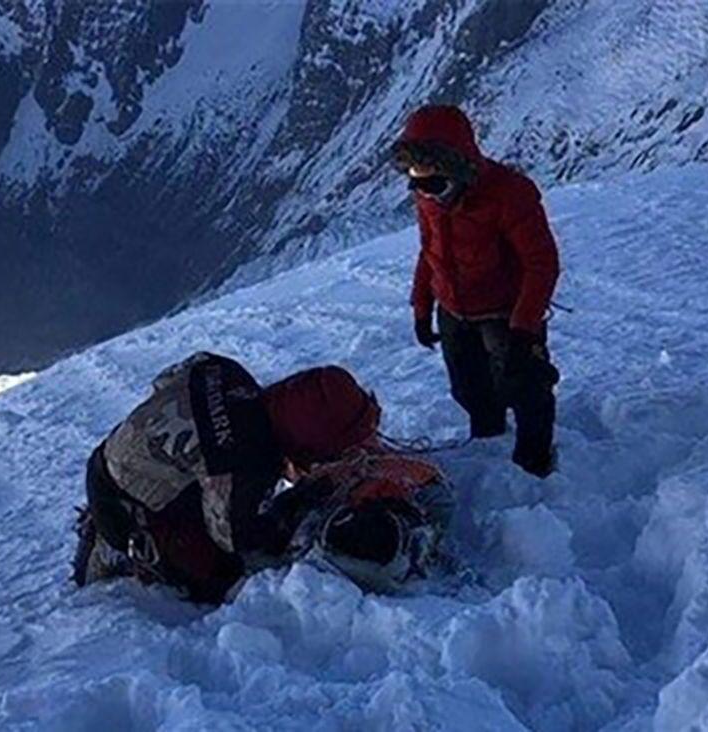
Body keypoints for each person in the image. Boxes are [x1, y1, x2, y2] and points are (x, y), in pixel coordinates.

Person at [72, 352, 382, 603]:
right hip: (122, 502)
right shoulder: (245, 460)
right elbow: (235, 537)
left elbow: (166, 380)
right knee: (220, 577)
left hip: (112, 456)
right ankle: (121, 550)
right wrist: (308, 494)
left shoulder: (226, 372)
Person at [393, 104, 562, 478]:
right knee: (471, 392)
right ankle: (489, 451)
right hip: (454, 310)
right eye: (414, 182)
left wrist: (524, 329)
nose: (423, 193)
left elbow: (541, 264)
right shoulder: (430, 198)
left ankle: (536, 468)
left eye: (432, 183)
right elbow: (430, 251)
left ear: (456, 165)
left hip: (505, 312)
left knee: (525, 387)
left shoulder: (510, 194)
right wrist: (422, 307)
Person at [268, 447, 453, 593]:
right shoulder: (400, 469)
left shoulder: (322, 484)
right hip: (390, 544)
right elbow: (441, 499)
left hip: (351, 548)